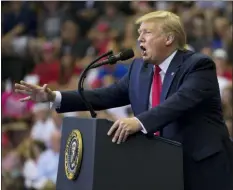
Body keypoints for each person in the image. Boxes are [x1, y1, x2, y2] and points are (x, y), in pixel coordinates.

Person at [15, 11, 233, 190]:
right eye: (139, 33)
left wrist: (138, 122)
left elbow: (180, 101)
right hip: (163, 167)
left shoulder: (198, 65)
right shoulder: (140, 69)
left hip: (203, 168)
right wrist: (53, 96)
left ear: (169, 38)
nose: (140, 39)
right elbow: (106, 95)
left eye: (147, 32)